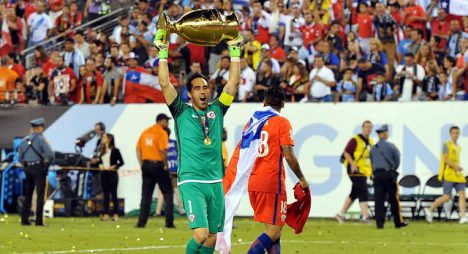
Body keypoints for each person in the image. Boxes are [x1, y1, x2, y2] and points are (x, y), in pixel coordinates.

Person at [154, 21, 242, 253]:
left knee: (213, 238)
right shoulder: (181, 111)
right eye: (197, 89)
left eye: (205, 87)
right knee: (201, 234)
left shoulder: (217, 110)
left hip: (215, 181)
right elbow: (164, 83)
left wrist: (234, 50)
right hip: (192, 181)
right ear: (190, 94)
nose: (203, 91)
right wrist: (163, 51)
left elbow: (233, 84)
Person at [244, 85, 309, 253]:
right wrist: (301, 179)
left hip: (254, 181)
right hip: (271, 182)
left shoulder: (252, 122)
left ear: (264, 101)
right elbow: (288, 154)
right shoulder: (281, 122)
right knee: (274, 231)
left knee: (274, 231)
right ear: (283, 103)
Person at [135, 113, 174, 228]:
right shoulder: (162, 133)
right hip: (158, 165)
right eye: (166, 121)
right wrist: (166, 165)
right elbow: (163, 151)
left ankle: (141, 223)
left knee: (146, 195)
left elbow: (138, 149)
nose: (167, 123)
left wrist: (142, 164)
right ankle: (169, 222)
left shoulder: (145, 132)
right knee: (168, 193)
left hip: (146, 164)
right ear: (161, 121)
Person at [425, 126, 467, 224]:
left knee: (462, 194)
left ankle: (463, 216)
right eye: (454, 133)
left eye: (457, 133)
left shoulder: (459, 147)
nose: (455, 135)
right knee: (447, 197)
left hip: (458, 175)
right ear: (450, 134)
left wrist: (458, 168)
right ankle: (430, 210)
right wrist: (456, 167)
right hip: (449, 174)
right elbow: (446, 160)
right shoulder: (446, 145)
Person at [18, 118, 54, 226]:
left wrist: (26, 165)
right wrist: (47, 164)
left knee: (28, 194)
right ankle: (39, 220)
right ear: (39, 128)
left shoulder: (23, 141)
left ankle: (24, 219)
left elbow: (20, 157)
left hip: (27, 168)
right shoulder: (41, 139)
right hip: (39, 168)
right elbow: (50, 154)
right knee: (40, 194)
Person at [336, 121, 374, 224]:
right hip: (355, 170)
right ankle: (365, 216)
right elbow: (346, 152)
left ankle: (340, 214)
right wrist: (352, 164)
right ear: (362, 128)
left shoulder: (371, 141)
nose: (368, 129)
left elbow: (371, 158)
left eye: (370, 127)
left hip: (365, 171)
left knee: (355, 192)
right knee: (363, 190)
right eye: (366, 127)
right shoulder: (355, 140)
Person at [370, 124, 407, 229]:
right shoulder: (391, 146)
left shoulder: (373, 149)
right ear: (385, 134)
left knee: (379, 199)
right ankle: (397, 222)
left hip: (377, 175)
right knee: (393, 199)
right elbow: (397, 159)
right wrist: (393, 169)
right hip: (388, 174)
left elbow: (372, 162)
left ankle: (379, 224)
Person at [99, 133, 124, 221]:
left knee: (114, 194)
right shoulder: (101, 150)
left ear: (109, 139)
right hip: (104, 174)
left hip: (112, 174)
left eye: (104, 137)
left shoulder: (115, 150)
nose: (103, 138)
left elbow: (121, 162)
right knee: (105, 195)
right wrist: (100, 165)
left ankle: (115, 214)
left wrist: (114, 166)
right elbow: (99, 161)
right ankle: (105, 214)